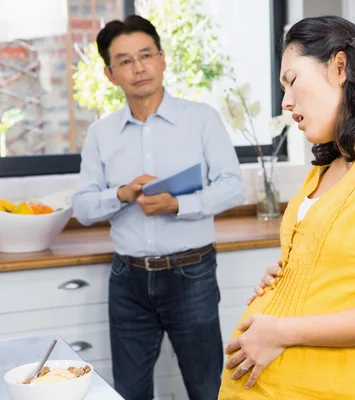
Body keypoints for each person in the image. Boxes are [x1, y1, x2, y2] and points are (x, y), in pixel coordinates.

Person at [217, 15, 355, 400]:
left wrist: (281, 331)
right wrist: (286, 278)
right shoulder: (327, 166)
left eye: (292, 80)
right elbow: (334, 269)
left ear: (339, 67)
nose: (285, 101)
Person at [71, 15, 246, 400]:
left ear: (163, 59)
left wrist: (177, 204)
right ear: (110, 74)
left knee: (207, 389)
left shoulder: (201, 119)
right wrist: (122, 193)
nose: (139, 68)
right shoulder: (101, 134)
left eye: (146, 55)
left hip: (191, 275)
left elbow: (234, 188)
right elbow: (82, 208)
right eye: (125, 61)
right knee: (129, 392)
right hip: (127, 280)